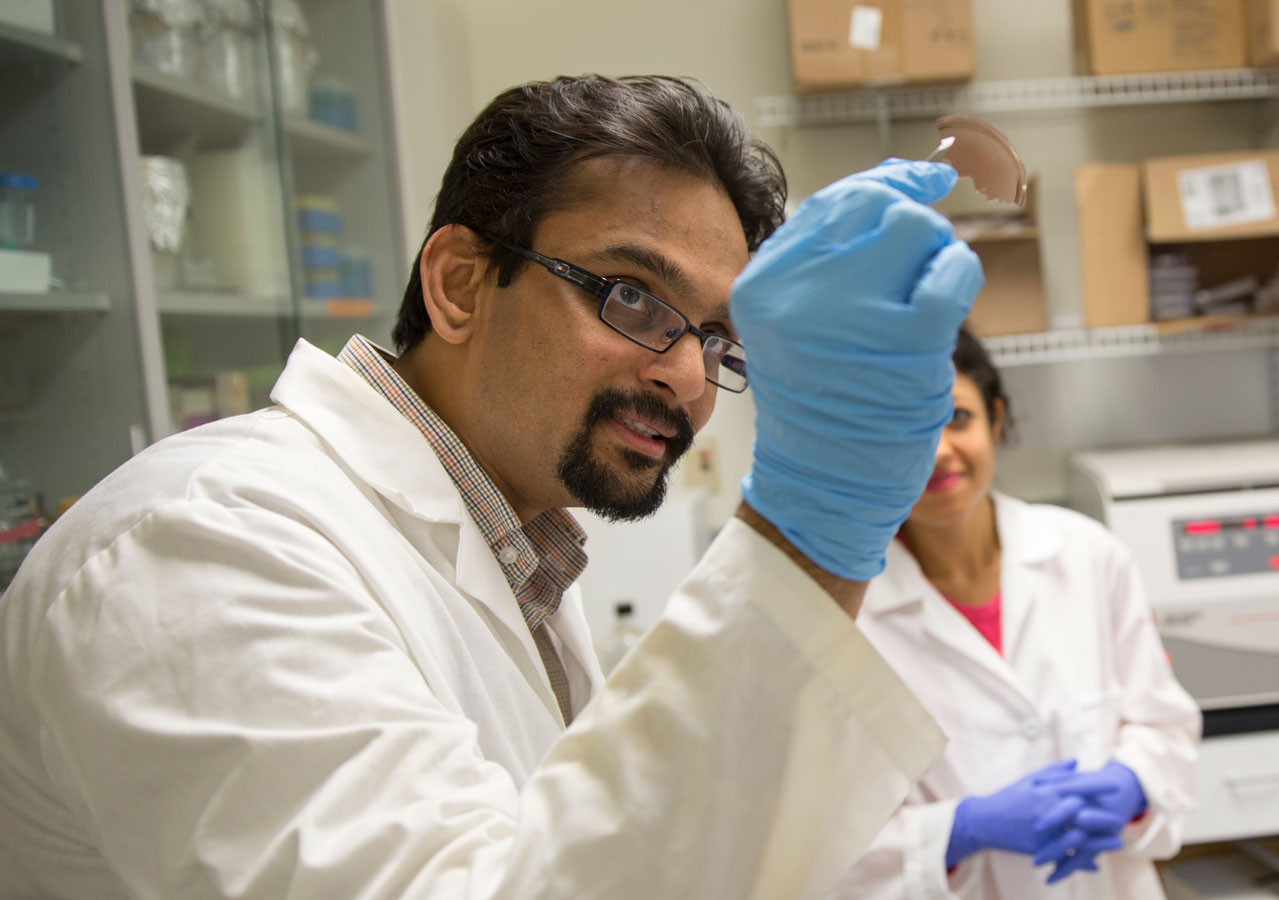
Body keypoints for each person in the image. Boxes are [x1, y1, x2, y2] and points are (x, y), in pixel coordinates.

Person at [0, 76, 986, 898]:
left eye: (717, 338)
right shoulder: (205, 542)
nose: (687, 377)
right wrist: (809, 531)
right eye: (631, 296)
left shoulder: (521, 550)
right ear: (461, 284)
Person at [827, 328, 1200, 899]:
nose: (937, 450)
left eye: (956, 417)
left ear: (996, 420)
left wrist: (1134, 783)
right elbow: (826, 838)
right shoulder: (847, 614)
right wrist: (960, 831)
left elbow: (1163, 725)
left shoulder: (1088, 556)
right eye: (905, 430)